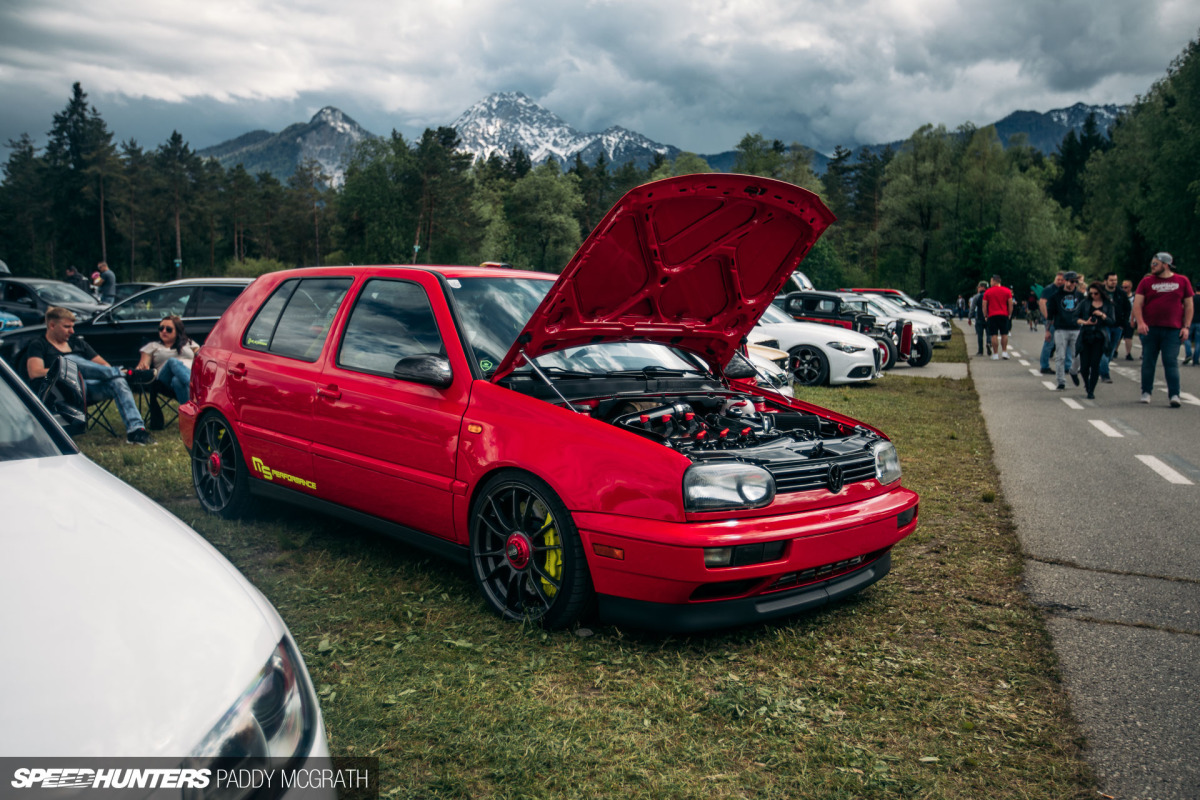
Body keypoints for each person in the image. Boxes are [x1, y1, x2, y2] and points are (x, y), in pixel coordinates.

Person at [24, 307, 155, 444]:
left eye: (73, 327)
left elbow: (104, 366)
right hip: (62, 392)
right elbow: (35, 372)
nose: (72, 331)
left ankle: (136, 431)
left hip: (88, 389)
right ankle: (126, 374)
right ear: (52, 325)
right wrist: (65, 369)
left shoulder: (77, 343)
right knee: (70, 361)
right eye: (67, 327)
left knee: (117, 381)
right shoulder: (39, 345)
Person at [1132, 252, 1194, 407]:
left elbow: (1188, 305)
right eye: (1152, 264)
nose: (1152, 267)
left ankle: (1174, 394)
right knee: (1148, 361)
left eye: (1155, 264)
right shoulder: (1146, 282)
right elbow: (1138, 304)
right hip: (1150, 328)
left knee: (1170, 361)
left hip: (1173, 329)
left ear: (1165, 265)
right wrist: (1140, 322)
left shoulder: (1182, 280)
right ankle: (1146, 391)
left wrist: (1186, 327)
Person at [135, 315, 198, 429]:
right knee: (172, 362)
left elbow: (200, 358)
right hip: (164, 380)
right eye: (161, 328)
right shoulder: (152, 346)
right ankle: (194, 387)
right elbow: (144, 364)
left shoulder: (189, 343)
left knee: (177, 381)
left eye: (168, 329)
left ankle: (190, 419)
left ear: (177, 331)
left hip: (184, 377)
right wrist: (143, 366)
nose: (164, 331)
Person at [1077, 282, 1117, 399]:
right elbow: (1075, 317)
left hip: (1099, 337)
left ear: (1101, 293)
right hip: (1085, 336)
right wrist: (1085, 322)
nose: (1093, 295)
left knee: (1095, 364)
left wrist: (1102, 315)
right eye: (1091, 293)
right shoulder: (1085, 303)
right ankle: (1087, 383)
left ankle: (1091, 390)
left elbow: (1112, 321)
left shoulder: (1108, 305)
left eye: (1096, 293)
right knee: (1084, 367)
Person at [1045, 271, 1085, 390]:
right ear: (1065, 281)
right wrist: (1047, 330)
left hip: (1076, 329)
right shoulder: (1056, 295)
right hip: (1060, 329)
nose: (1073, 284)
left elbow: (1084, 311)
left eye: (1075, 282)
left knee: (1077, 356)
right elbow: (1050, 315)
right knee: (1060, 356)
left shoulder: (1080, 296)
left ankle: (1073, 371)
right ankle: (1061, 381)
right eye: (1071, 281)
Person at [1099, 272, 1131, 384]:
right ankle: (1104, 374)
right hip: (1104, 324)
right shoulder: (1100, 292)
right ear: (1106, 281)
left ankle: (1102, 368)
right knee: (1105, 348)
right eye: (1111, 280)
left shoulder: (1120, 293)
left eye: (1115, 280)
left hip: (1117, 325)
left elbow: (1128, 307)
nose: (1114, 282)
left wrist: (1124, 322)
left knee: (1111, 350)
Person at [1039, 272, 1073, 375]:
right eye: (1058, 279)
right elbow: (1042, 302)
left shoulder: (1065, 290)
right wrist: (1047, 317)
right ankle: (1044, 366)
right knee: (1049, 343)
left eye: (1062, 280)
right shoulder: (1049, 289)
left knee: (1067, 343)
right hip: (1052, 320)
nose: (1060, 281)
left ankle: (1068, 366)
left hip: (1063, 320)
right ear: (1055, 279)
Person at [983, 275, 1014, 360]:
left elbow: (984, 305)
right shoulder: (1007, 291)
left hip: (992, 315)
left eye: (991, 281)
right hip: (1004, 314)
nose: (990, 283)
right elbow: (1010, 304)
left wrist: (985, 315)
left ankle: (995, 354)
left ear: (994, 281)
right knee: (1004, 334)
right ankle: (1004, 352)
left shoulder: (988, 292)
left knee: (994, 335)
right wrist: (1009, 314)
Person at [968, 281, 988, 355]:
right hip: (988, 317)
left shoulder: (977, 296)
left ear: (982, 287)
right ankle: (989, 343)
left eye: (978, 287)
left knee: (980, 335)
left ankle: (980, 351)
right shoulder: (989, 295)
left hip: (979, 317)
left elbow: (972, 308)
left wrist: (970, 317)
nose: (977, 289)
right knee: (989, 333)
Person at [1119, 279, 1136, 360]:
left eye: (1126, 287)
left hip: (1130, 319)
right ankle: (1114, 351)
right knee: (1118, 336)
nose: (1124, 289)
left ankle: (1128, 353)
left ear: (1130, 287)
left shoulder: (1134, 297)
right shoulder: (1119, 296)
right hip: (1120, 319)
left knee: (1128, 337)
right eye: (1122, 287)